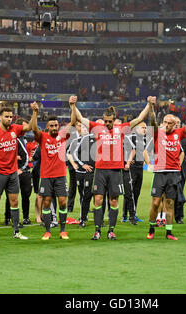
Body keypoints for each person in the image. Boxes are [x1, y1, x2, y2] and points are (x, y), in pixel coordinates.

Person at [71, 95, 152, 240]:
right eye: (106, 121)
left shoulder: (121, 129)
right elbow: (80, 118)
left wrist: (148, 105)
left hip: (115, 171)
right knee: (98, 200)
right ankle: (97, 231)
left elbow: (139, 119)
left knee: (113, 201)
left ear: (114, 120)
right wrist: (73, 105)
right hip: (100, 171)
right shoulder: (96, 128)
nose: (107, 124)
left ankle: (111, 230)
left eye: (110, 121)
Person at [146, 97, 186, 240]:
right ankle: (151, 228)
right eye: (164, 122)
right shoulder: (158, 132)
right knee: (155, 202)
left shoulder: (179, 134)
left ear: (173, 125)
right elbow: (152, 120)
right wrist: (151, 106)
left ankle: (169, 232)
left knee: (170, 203)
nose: (166, 125)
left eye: (169, 123)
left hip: (173, 173)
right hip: (159, 173)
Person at [0, 104, 38, 241]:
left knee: (14, 201)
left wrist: (35, 112)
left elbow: (30, 127)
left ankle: (16, 231)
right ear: (0, 118)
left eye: (11, 117)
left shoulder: (15, 129)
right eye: (6, 117)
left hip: (12, 173)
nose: (9, 119)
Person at [34, 96, 76, 240]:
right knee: (46, 202)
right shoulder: (43, 137)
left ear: (58, 126)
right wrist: (35, 113)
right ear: (47, 127)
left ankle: (63, 230)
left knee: (63, 202)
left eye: (56, 125)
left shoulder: (63, 135)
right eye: (51, 126)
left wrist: (72, 106)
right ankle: (47, 231)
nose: (54, 128)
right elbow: (33, 128)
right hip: (46, 175)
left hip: (60, 175)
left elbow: (73, 121)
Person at [5, 118, 33, 226]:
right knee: (11, 196)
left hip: (24, 171)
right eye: (25, 126)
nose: (26, 128)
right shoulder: (13, 137)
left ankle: (26, 217)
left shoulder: (24, 138)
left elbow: (25, 155)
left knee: (26, 195)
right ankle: (8, 217)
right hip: (13, 171)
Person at [71, 122, 95, 228]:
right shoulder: (76, 141)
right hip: (80, 172)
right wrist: (82, 164)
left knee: (89, 195)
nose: (84, 129)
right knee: (82, 195)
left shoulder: (94, 139)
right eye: (82, 127)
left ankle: (85, 219)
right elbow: (73, 153)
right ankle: (83, 217)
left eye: (86, 127)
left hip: (91, 172)